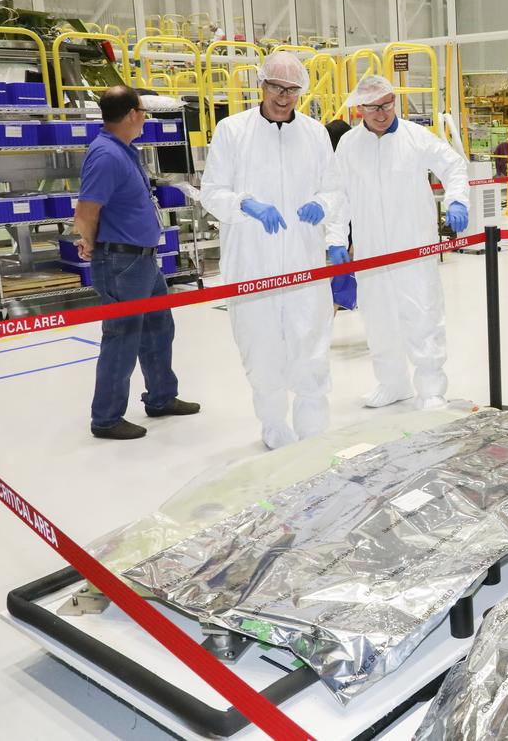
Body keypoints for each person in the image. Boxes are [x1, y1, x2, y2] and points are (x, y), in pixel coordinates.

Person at [201, 52, 341, 450]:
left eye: (292, 90)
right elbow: (212, 192)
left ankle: (314, 429)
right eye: (276, 88)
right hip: (252, 262)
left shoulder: (314, 134)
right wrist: (246, 204)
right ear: (261, 85)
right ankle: (274, 426)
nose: (284, 97)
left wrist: (324, 206)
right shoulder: (232, 131)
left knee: (310, 343)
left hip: (303, 258)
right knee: (261, 346)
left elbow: (334, 189)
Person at [329, 75, 469, 410]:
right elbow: (338, 195)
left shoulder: (415, 137)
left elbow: (453, 166)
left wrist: (456, 200)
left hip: (413, 249)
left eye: (387, 104)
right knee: (378, 320)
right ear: (359, 109)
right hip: (371, 250)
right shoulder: (349, 145)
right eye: (373, 107)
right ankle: (392, 384)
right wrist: (335, 238)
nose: (381, 113)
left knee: (422, 316)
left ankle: (431, 388)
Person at [76, 85, 199, 440]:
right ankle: (106, 418)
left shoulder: (124, 150)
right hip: (121, 262)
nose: (145, 117)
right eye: (143, 111)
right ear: (131, 114)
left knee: (160, 328)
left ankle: (161, 397)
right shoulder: (105, 155)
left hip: (142, 260)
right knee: (122, 337)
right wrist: (89, 242)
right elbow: (85, 212)